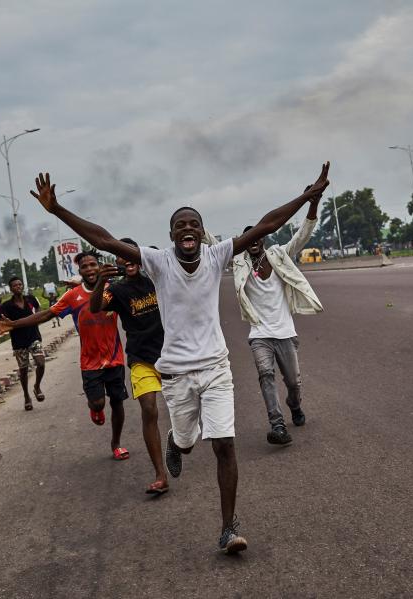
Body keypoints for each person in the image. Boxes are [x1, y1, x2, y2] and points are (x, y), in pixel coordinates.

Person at [28, 162, 330, 554]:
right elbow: (103, 240)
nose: (187, 229)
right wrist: (58, 211)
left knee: (224, 445)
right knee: (187, 444)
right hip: (176, 375)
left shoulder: (217, 254)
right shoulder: (157, 262)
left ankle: (228, 527)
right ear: (170, 235)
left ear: (201, 234)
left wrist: (308, 196)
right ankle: (177, 442)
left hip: (216, 369)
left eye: (193, 225)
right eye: (180, 225)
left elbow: (266, 224)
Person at [0, 252, 130, 461]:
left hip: (115, 358)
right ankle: (94, 407)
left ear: (99, 267)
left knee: (117, 402)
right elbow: (46, 315)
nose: (90, 269)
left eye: (93, 265)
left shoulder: (113, 290)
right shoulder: (72, 296)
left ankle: (116, 443)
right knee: (99, 403)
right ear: (80, 271)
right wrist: (13, 324)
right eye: (85, 267)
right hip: (90, 362)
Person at [231, 188, 325, 445]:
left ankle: (294, 406)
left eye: (258, 235)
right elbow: (210, 244)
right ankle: (278, 425)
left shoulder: (278, 255)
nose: (253, 240)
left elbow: (302, 235)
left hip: (285, 332)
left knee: (293, 383)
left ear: (263, 238)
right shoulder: (239, 263)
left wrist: (312, 204)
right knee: (266, 376)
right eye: (248, 237)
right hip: (260, 334)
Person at [89, 238, 169, 495]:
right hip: (140, 359)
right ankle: (160, 474)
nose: (127, 261)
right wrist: (101, 280)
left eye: (131, 255)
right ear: (116, 262)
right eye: (121, 257)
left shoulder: (156, 280)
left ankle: (179, 443)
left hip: (170, 355)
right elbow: (95, 307)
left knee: (184, 416)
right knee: (149, 410)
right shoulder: (117, 289)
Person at [0, 278, 45, 411]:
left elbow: (39, 310)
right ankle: (27, 396)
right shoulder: (7, 305)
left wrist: (39, 316)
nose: (18, 287)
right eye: (15, 285)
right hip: (18, 342)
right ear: (10, 289)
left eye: (20, 284)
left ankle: (37, 386)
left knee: (40, 363)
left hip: (34, 337)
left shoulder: (31, 299)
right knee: (23, 370)